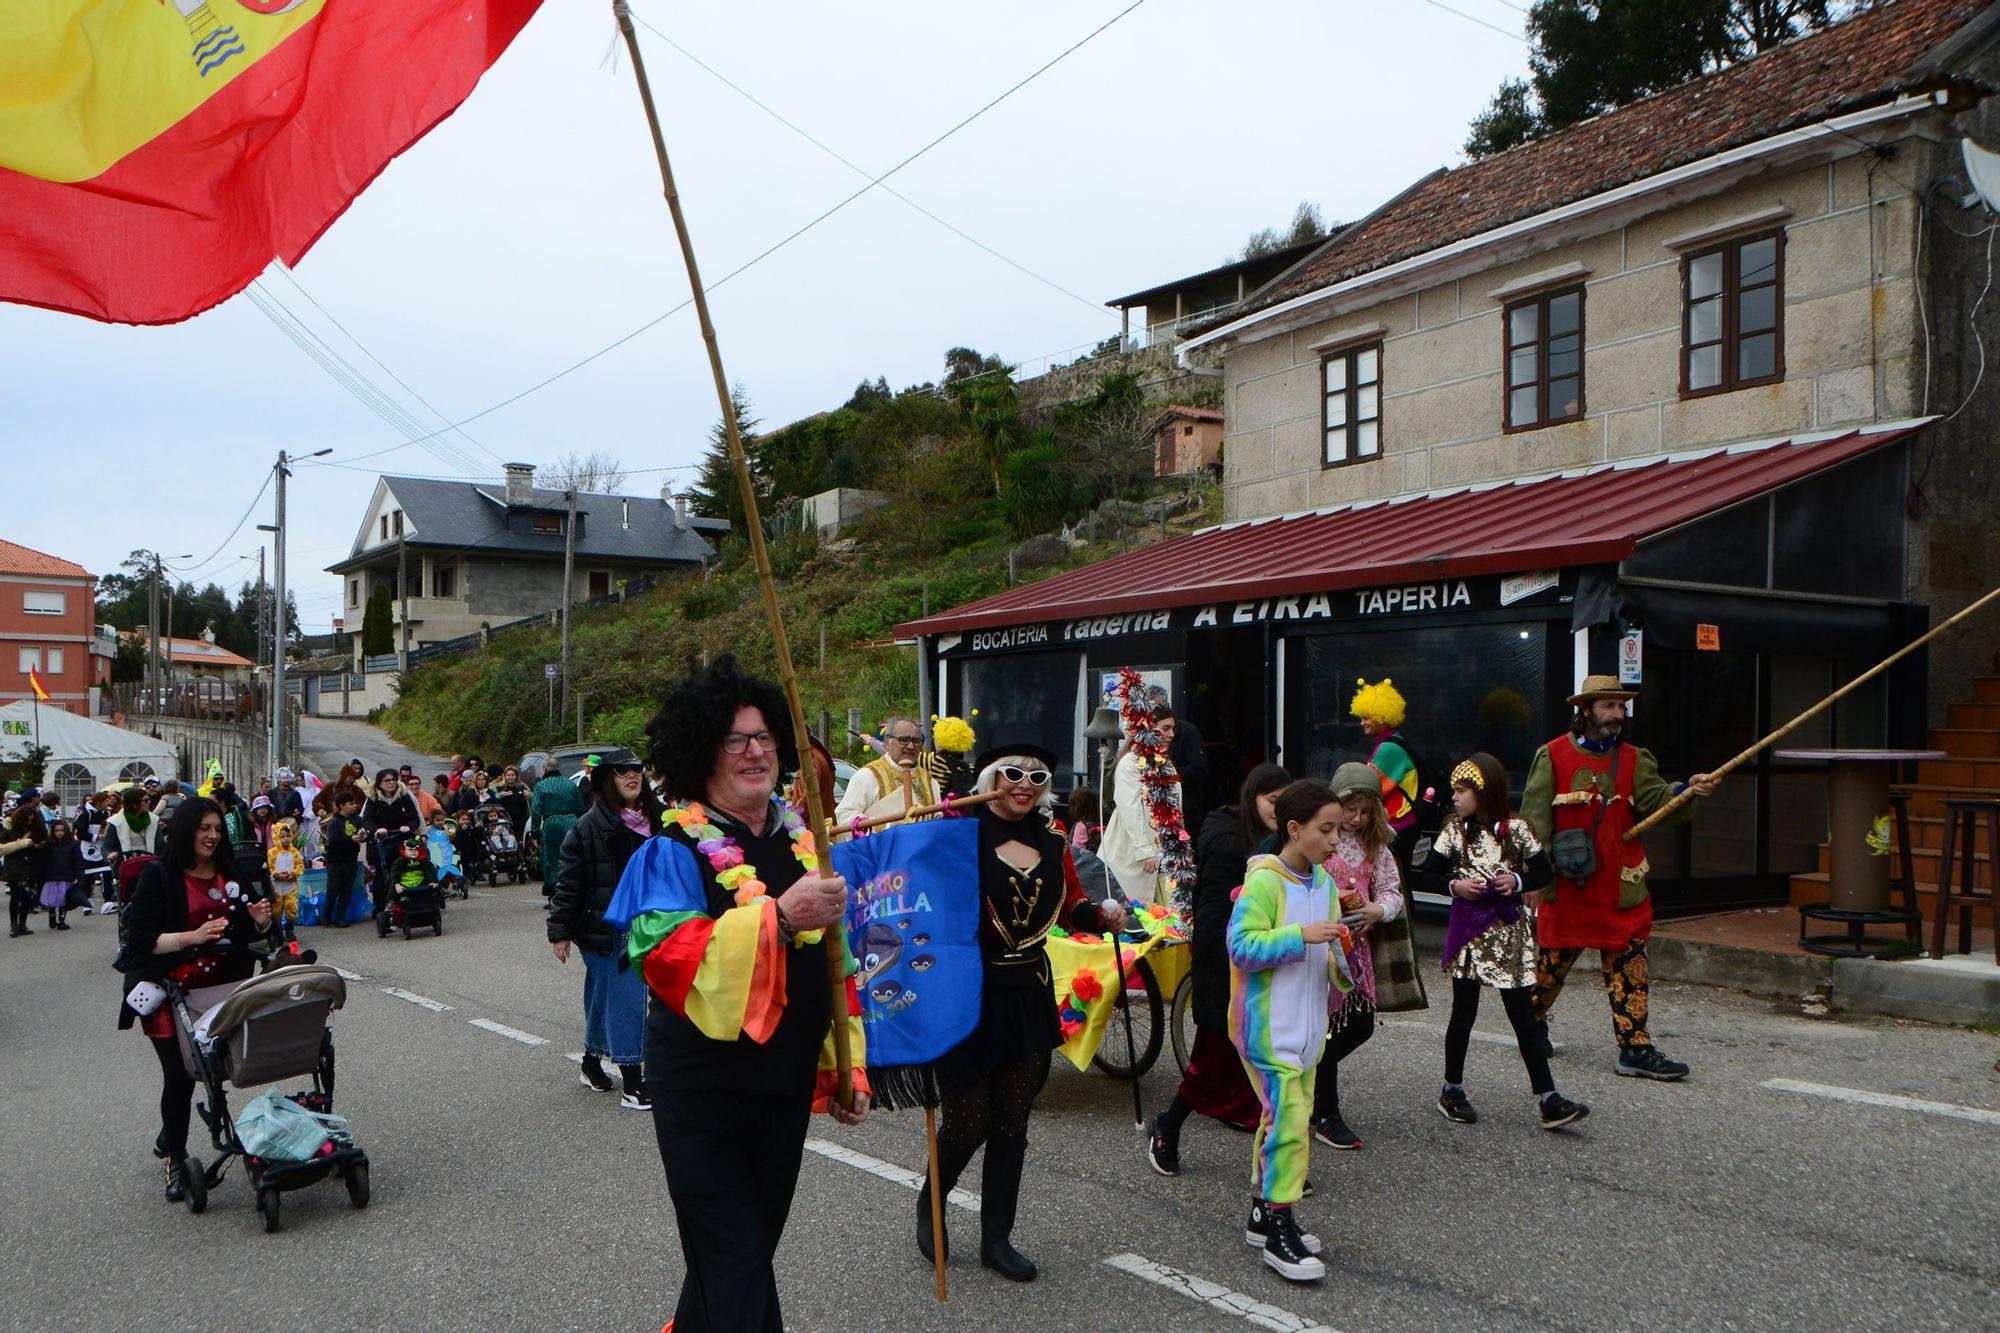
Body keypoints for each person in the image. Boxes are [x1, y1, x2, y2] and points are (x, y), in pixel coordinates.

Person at [603, 654, 869, 1332]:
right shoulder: (673, 849)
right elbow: (669, 960)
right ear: (704, 751)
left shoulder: (805, 842)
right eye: (735, 739)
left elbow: (836, 967)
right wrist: (778, 916)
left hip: (782, 1090)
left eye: (764, 738)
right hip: (703, 1093)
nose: (755, 752)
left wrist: (850, 1062)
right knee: (737, 1264)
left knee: (734, 1261)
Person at [910, 742, 1123, 1283]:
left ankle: (996, 1237)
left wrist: (1101, 915)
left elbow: (1070, 902)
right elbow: (919, 895)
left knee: (1012, 1122)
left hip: (1027, 991)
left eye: (1038, 775)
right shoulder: (958, 832)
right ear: (991, 778)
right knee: (968, 1121)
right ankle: (931, 1202)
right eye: (1012, 773)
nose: (1024, 783)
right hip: (968, 993)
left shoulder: (1053, 839)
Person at [1523, 675, 1720, 1082]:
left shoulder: (1635, 758)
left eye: (1620, 706)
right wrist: (1533, 877)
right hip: (1570, 888)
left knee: (1631, 970)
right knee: (1547, 972)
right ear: (1586, 711)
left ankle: (1635, 1048)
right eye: (1608, 706)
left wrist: (1686, 791)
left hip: (1621, 887)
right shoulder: (1552, 755)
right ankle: (1530, 1023)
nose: (1617, 714)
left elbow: (1655, 803)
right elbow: (1534, 822)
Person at [118, 797, 273, 1201]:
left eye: (218, 829)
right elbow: (139, 941)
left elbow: (241, 932)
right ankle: (178, 1157)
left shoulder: (230, 872)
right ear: (187, 829)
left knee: (218, 1067)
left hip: (221, 988)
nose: (212, 836)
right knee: (181, 1076)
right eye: (205, 828)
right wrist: (191, 938)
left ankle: (172, 1129)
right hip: (170, 989)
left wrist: (258, 923)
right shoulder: (160, 876)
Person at [1227, 780, 1351, 1283]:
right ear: (1295, 829)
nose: (1336, 840)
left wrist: (1345, 943)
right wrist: (1300, 935)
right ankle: (1281, 1226)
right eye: (1327, 829)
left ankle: (1263, 1214)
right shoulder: (1264, 883)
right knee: (1292, 1124)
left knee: (1279, 1121)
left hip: (1307, 1029)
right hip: (1267, 1030)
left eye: (1339, 829)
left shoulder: (1323, 884)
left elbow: (1335, 961)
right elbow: (1240, 948)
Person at [1421, 753, 1585, 1131]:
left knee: (1522, 1015)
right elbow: (1425, 874)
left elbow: (1543, 869)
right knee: (1464, 1011)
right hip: (1469, 932)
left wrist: (1519, 881)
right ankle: (1452, 1088)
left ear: (1485, 791)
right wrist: (1455, 886)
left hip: (1509, 931)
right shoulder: (1453, 831)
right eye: (1453, 791)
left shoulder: (1517, 829)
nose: (1455, 798)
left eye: (1462, 791)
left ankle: (1549, 1098)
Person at [1147, 763, 1291, 1176]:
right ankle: (1167, 1127)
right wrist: (1235, 952)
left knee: (1270, 1066)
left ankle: (1278, 1159)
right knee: (1211, 1062)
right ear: (1253, 799)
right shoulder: (1229, 841)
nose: (1277, 811)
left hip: (1269, 964)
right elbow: (1212, 914)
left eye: (1284, 804)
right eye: (1271, 802)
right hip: (1226, 965)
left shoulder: (1285, 842)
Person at [1310, 763, 1417, 1150]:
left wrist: (1377, 909)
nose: (1356, 818)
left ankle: (1311, 1086)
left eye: (1365, 810)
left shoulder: (1378, 848)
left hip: (1359, 954)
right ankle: (1327, 1113)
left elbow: (1392, 892)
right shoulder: (1322, 841)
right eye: (1350, 809)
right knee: (1327, 1030)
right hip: (1323, 951)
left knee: (1360, 1027)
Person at [549, 757, 658, 1109]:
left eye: (636, 770)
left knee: (602, 997)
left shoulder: (658, 819)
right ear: (605, 781)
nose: (632, 776)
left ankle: (591, 1062)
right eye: (621, 771)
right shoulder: (585, 828)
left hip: (653, 923)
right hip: (607, 928)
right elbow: (568, 885)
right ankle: (632, 1081)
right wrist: (560, 932)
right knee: (626, 999)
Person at [1099, 706, 1179, 905]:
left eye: (1172, 729)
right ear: (1150, 729)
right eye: (1166, 728)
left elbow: (1176, 809)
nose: (1171, 734)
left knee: (1170, 918)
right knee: (1135, 915)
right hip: (1131, 852)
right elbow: (1129, 808)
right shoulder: (1130, 763)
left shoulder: (1166, 764)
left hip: (1164, 853)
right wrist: (1144, 850)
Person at [1350, 678, 1428, 864]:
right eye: (1361, 717)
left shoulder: (1389, 749)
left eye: (1367, 717)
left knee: (1395, 879)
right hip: (1403, 823)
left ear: (1382, 717)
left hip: (1399, 824)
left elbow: (1367, 788)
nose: (1362, 722)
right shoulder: (1392, 742)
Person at [833, 717, 939, 836]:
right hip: (879, 852)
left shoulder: (930, 781)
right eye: (904, 739)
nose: (910, 746)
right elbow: (845, 815)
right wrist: (888, 828)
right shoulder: (868, 775)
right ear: (887, 743)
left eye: (916, 741)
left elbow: (937, 821)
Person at [362, 769, 422, 919]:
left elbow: (414, 817)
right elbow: (367, 820)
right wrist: (376, 830)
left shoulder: (404, 796)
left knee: (407, 870)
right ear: (380, 784)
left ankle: (412, 901)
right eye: (387, 780)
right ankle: (381, 906)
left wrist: (409, 826)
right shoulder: (373, 799)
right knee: (382, 876)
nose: (391, 783)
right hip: (380, 843)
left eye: (393, 780)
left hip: (401, 840)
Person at [530, 761, 583, 894]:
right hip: (572, 821)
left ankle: (554, 892)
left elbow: (536, 810)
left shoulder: (540, 786)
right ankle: (574, 888)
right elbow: (580, 807)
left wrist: (535, 833)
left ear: (544, 770)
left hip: (552, 823)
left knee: (551, 858)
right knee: (573, 855)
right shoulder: (570, 783)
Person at [323, 789, 365, 928]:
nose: (354, 806)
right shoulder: (335, 822)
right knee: (333, 889)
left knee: (347, 889)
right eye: (350, 804)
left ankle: (340, 917)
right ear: (341, 806)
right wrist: (350, 839)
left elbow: (364, 833)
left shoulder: (357, 820)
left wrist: (363, 835)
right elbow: (333, 841)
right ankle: (326, 916)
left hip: (351, 859)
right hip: (335, 860)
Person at [4, 801, 43, 937]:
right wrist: (22, 844)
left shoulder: (36, 829)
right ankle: (14, 925)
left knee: (27, 897)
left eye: (32, 820)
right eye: (27, 819)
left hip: (31, 866)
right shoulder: (8, 829)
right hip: (15, 866)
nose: (29, 822)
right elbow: (3, 848)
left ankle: (23, 924)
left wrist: (39, 846)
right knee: (16, 896)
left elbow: (44, 842)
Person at [39, 817, 83, 930]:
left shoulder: (73, 844)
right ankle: (52, 913)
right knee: (52, 897)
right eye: (57, 831)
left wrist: (79, 875)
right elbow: (43, 860)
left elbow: (78, 860)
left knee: (63, 898)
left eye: (62, 830)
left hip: (67, 874)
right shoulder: (49, 845)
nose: (59, 833)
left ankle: (61, 919)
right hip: (51, 874)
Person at [266, 819, 305, 942]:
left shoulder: (294, 852)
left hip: (291, 887)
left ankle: (290, 930)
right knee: (276, 910)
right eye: (282, 836)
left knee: (291, 909)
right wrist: (275, 874)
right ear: (277, 837)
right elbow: (269, 867)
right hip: (276, 886)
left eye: (288, 836)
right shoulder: (272, 853)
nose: (286, 839)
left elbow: (300, 865)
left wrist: (294, 873)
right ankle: (277, 931)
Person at [491, 764, 530, 833]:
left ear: (516, 776)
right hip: (504, 819)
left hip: (520, 819)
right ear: (505, 776)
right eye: (508, 775)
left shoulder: (522, 787)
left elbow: (531, 799)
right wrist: (500, 795)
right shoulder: (499, 787)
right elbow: (491, 799)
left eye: (512, 775)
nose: (510, 777)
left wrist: (529, 795)